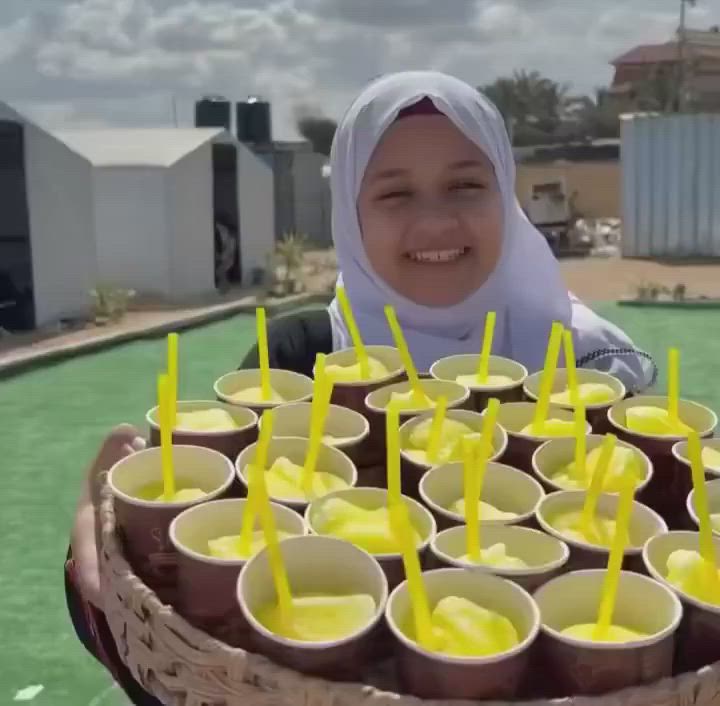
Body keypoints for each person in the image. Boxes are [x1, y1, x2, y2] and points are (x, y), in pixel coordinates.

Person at [65, 71, 656, 704]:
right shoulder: (299, 362)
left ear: (505, 194)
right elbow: (191, 645)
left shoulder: (590, 373)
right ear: (351, 213)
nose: (435, 221)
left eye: (465, 185)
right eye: (394, 194)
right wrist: (108, 543)